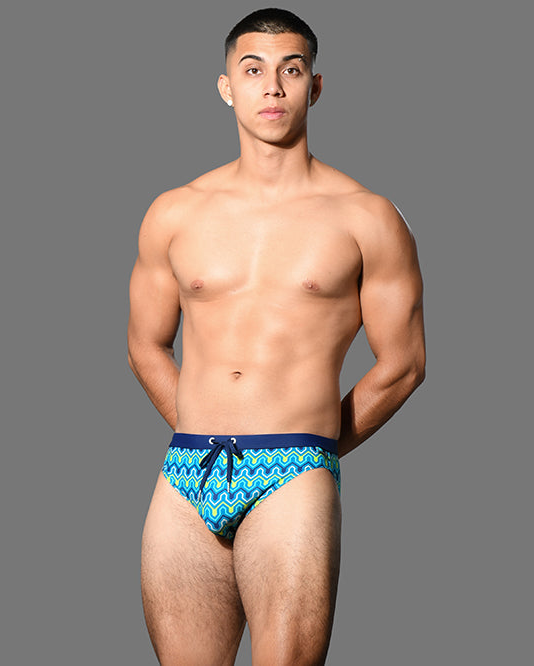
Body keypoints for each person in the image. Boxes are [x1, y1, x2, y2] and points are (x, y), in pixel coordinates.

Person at [127, 7, 425, 665]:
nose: (272, 87)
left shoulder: (367, 217)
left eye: (291, 71)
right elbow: (144, 344)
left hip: (292, 468)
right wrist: (201, 422)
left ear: (314, 87)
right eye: (253, 70)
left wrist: (314, 446)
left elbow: (404, 364)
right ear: (226, 86)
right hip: (187, 468)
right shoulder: (174, 212)